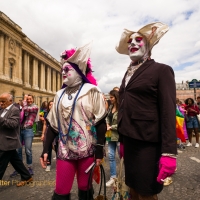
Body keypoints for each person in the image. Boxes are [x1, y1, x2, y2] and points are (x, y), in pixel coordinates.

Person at [115, 22, 177, 199]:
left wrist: (169, 153)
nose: (132, 43)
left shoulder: (162, 70)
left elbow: (167, 113)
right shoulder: (127, 73)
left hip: (148, 145)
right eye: (130, 41)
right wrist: (123, 141)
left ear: (148, 45)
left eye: (138, 40)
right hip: (130, 142)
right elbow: (124, 108)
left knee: (146, 193)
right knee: (132, 190)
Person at [40, 42, 107, 200]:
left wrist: (98, 151)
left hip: (87, 151)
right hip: (64, 151)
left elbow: (100, 123)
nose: (63, 72)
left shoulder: (92, 91)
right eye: (62, 69)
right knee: (61, 191)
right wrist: (45, 150)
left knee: (85, 188)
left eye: (67, 69)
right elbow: (53, 126)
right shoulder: (59, 95)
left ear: (79, 71)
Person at [0, 93, 32, 186]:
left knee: (1, 163)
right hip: (3, 140)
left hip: (9, 141)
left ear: (10, 101)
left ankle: (27, 176)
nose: (1, 103)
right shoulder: (2, 110)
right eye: (0, 101)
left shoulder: (15, 109)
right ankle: (27, 176)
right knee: (15, 161)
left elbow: (13, 124)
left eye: (3, 101)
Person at [10, 94, 38, 177]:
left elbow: (26, 109)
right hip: (20, 130)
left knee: (28, 150)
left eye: (30, 99)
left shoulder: (35, 107)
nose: (29, 100)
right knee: (18, 151)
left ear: (33, 100)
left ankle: (29, 167)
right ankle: (19, 168)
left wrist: (24, 99)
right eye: (27, 99)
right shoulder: (22, 108)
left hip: (28, 130)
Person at [105, 90, 120, 187]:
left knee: (123, 158)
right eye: (110, 97)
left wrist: (112, 127)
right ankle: (113, 177)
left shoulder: (122, 108)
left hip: (118, 136)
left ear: (116, 97)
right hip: (110, 136)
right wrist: (107, 124)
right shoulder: (110, 107)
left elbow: (123, 123)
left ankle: (128, 177)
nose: (110, 99)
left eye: (111, 97)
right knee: (111, 156)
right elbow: (107, 117)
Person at [41, 100, 54, 171]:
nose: (51, 106)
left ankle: (60, 165)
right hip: (48, 133)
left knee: (58, 149)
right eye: (50, 105)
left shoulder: (58, 114)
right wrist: (43, 134)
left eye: (52, 104)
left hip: (56, 133)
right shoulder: (46, 114)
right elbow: (45, 124)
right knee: (48, 149)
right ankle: (48, 164)